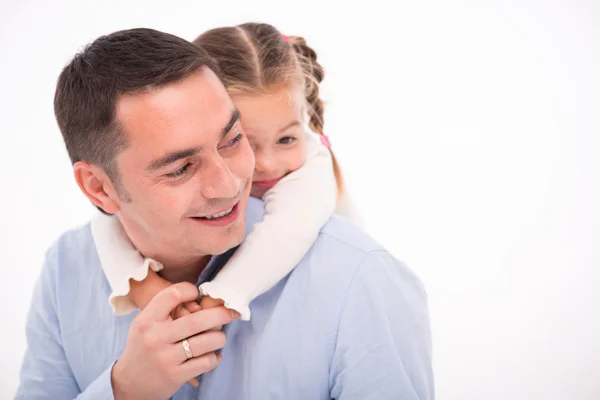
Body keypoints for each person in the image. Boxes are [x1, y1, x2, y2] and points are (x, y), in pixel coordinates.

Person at [16, 27, 434, 400]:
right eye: (181, 167)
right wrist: (123, 391)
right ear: (99, 188)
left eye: (232, 140)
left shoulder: (359, 278)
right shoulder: (64, 271)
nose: (230, 185)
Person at [96, 23, 363, 329]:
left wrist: (218, 300)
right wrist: (142, 287)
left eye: (286, 139)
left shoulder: (311, 174)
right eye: (241, 140)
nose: (268, 164)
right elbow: (107, 219)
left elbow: (286, 234)